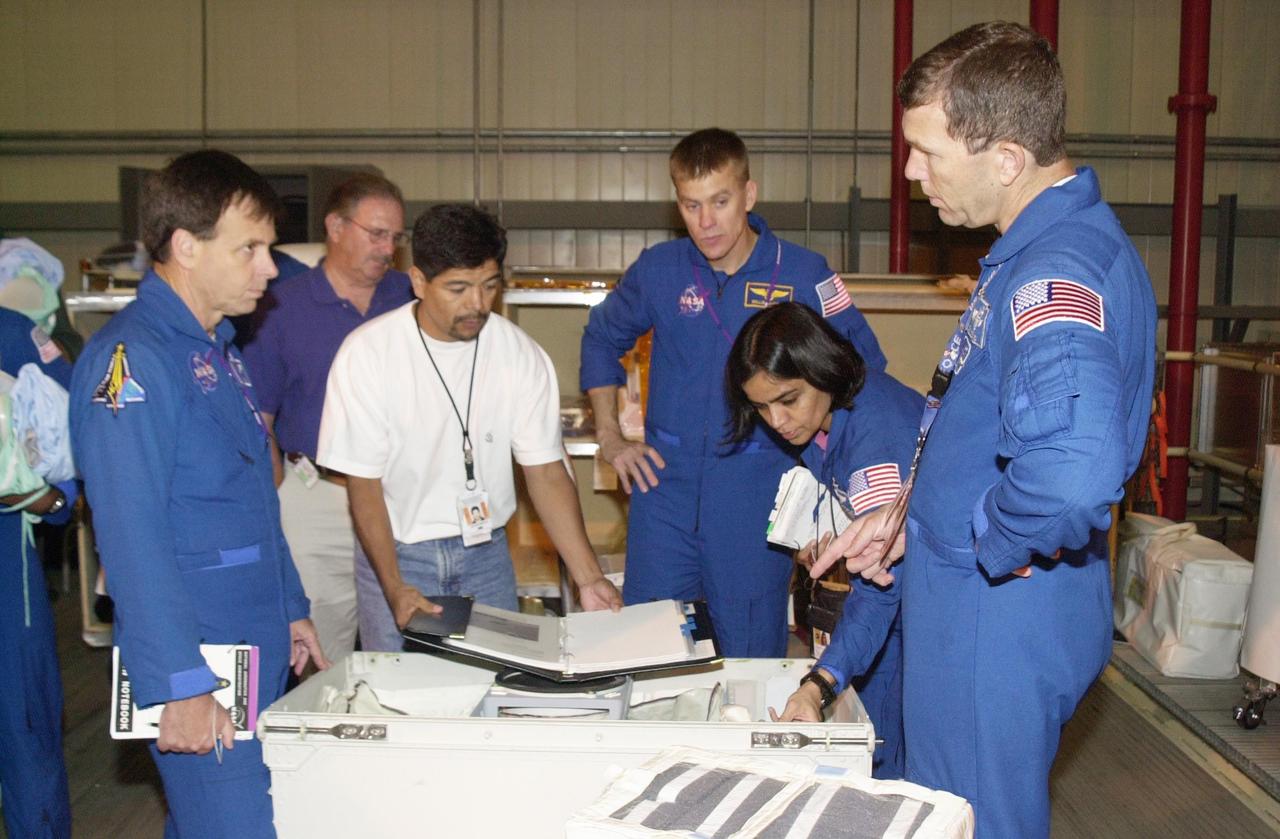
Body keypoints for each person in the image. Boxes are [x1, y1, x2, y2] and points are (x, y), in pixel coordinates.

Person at [813, 22, 1157, 838]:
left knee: (972, 822)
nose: (909, 171)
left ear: (1006, 159)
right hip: (983, 604)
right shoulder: (1029, 252)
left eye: (928, 152)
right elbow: (992, 426)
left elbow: (1071, 471)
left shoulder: (1055, 272)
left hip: (992, 618)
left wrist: (976, 541)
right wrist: (912, 520)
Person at [70, 149, 329, 839]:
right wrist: (179, 681)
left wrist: (291, 606)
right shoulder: (133, 362)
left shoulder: (218, 351)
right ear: (185, 246)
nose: (270, 267)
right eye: (250, 248)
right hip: (199, 663)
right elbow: (130, 535)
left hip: (252, 647)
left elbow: (249, 498)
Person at [580, 127, 886, 657]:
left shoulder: (802, 274)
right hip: (664, 496)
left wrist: (829, 481)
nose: (705, 222)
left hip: (756, 499)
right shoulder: (660, 270)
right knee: (648, 653)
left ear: (748, 194)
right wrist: (610, 437)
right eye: (691, 204)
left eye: (720, 202)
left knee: (749, 658)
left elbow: (864, 373)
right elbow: (600, 338)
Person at [318, 204, 622, 651]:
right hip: (399, 554)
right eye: (458, 288)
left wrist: (589, 577)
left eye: (490, 286)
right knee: (400, 694)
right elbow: (364, 486)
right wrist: (394, 585)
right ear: (418, 282)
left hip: (487, 555)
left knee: (493, 687)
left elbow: (546, 471)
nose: (477, 304)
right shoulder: (368, 355)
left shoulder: (518, 353)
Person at [723, 302, 920, 778]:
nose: (776, 422)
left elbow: (883, 586)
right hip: (907, 604)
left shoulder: (875, 438)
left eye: (787, 400)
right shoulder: (828, 418)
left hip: (923, 613)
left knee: (892, 755)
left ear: (823, 369)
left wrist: (819, 683)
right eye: (761, 407)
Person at [242, 173, 414, 664]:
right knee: (320, 653)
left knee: (405, 650)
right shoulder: (280, 308)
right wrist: (268, 510)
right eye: (376, 233)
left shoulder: (411, 301)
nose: (388, 248)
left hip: (400, 500)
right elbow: (262, 423)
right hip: (318, 500)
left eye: (396, 238)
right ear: (335, 227)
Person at [0, 306, 74, 838]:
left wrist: (51, 497)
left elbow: (78, 424)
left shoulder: (10, 332)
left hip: (6, 573)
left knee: (24, 733)